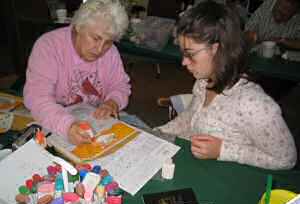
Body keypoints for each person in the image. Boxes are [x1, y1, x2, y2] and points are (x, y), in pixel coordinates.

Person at [156, 1, 297, 170]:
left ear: (218, 49)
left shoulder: (254, 104)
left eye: (190, 54)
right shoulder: (203, 82)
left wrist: (224, 150)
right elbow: (190, 118)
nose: (184, 62)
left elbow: (286, 159)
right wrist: (157, 132)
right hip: (196, 168)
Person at [24, 0, 131, 145]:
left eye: (108, 42)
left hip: (95, 120)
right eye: (95, 38)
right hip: (54, 118)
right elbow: (37, 98)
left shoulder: (111, 52)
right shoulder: (48, 46)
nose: (100, 49)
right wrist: (67, 126)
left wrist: (113, 102)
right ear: (78, 27)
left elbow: (120, 85)